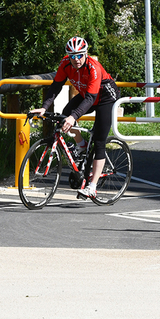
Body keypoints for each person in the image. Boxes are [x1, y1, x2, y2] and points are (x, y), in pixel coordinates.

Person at [30, 36, 119, 199]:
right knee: (65, 114)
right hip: (87, 95)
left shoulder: (93, 67)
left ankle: (92, 187)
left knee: (99, 141)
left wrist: (74, 117)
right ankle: (81, 144)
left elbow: (91, 99)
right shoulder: (65, 64)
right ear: (68, 56)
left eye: (79, 55)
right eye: (72, 56)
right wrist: (44, 107)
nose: (76, 59)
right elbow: (55, 87)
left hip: (105, 97)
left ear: (86, 54)